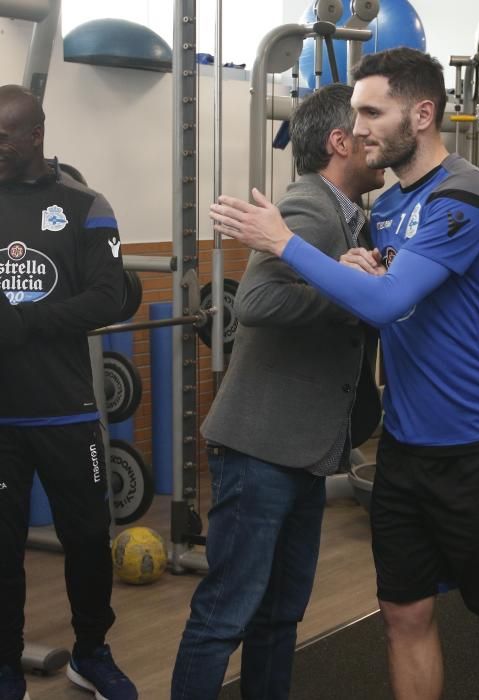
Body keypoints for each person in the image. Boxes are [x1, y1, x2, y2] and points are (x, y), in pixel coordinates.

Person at [208, 47, 479, 700]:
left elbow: (390, 302)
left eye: (373, 111)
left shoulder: (467, 194)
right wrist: (354, 267)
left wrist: (282, 241)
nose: (359, 127)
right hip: (405, 448)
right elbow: (375, 296)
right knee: (403, 615)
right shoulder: (390, 208)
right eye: (357, 113)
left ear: (421, 114)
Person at [170, 83, 384, 699]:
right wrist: (347, 296)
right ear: (340, 142)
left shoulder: (351, 214)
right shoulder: (309, 208)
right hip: (260, 447)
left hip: (303, 448)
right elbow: (258, 303)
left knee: (281, 613)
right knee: (225, 614)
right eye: (366, 125)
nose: (378, 138)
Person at [0, 85, 137, 700]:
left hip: (66, 411)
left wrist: (23, 323)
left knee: (85, 539)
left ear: (36, 135)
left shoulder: (83, 205)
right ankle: (5, 666)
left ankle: (91, 652)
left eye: (3, 136)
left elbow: (108, 298)